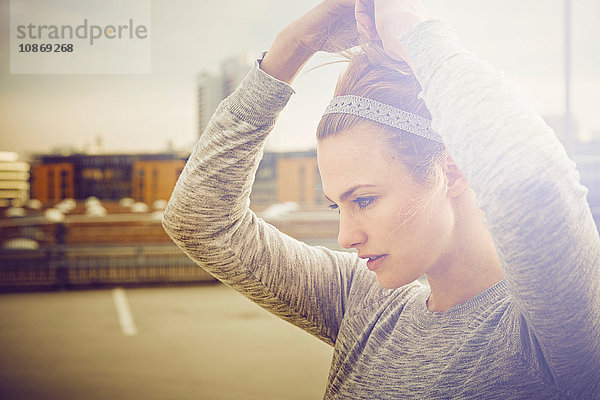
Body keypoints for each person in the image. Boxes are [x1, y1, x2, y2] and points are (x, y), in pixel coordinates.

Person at [163, 0, 600, 398]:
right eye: (338, 204)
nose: (345, 237)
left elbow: (535, 186)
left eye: (365, 200)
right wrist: (291, 48)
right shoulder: (363, 299)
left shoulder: (550, 331)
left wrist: (413, 29)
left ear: (452, 170)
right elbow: (202, 221)